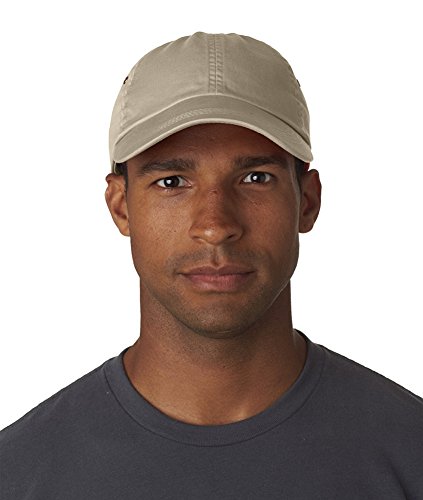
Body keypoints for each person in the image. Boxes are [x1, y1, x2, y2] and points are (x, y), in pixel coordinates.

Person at [1, 32, 422, 499]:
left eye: (255, 178)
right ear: (121, 207)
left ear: (307, 201)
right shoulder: (19, 474)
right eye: (172, 181)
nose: (215, 226)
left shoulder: (410, 454)